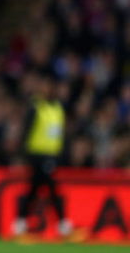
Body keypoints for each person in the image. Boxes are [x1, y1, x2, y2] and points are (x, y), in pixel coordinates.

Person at [11, 72, 83, 242]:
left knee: (34, 190)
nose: (47, 89)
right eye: (44, 86)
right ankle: (63, 226)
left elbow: (61, 134)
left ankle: (19, 225)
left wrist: (63, 154)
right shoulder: (36, 107)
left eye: (49, 86)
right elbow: (26, 131)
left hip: (51, 155)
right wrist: (23, 154)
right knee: (51, 188)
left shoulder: (58, 108)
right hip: (37, 154)